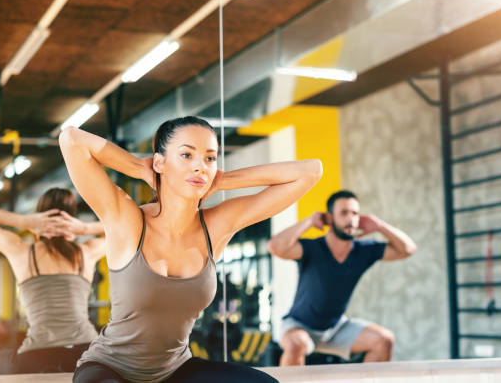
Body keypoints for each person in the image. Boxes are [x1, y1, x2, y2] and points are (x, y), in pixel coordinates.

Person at [59, 116, 323, 383]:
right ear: (160, 162)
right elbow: (71, 139)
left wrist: (223, 180)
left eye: (210, 158)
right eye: (186, 155)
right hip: (110, 369)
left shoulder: (217, 226)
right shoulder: (127, 220)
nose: (200, 166)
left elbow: (311, 171)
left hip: (175, 369)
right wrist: (140, 167)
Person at [268, 190, 418, 365]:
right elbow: (275, 246)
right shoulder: (313, 248)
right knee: (297, 343)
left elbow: (407, 249)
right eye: (344, 213)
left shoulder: (363, 251)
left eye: (355, 213)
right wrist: (309, 221)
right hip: (299, 326)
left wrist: (379, 226)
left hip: (336, 328)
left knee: (384, 340)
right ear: (330, 218)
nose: (351, 219)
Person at [0, 187, 106, 374]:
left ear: (39, 215)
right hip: (86, 353)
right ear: (73, 217)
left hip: (37, 354)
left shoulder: (22, 251)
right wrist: (84, 229)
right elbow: (128, 225)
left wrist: (25, 222)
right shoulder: (87, 253)